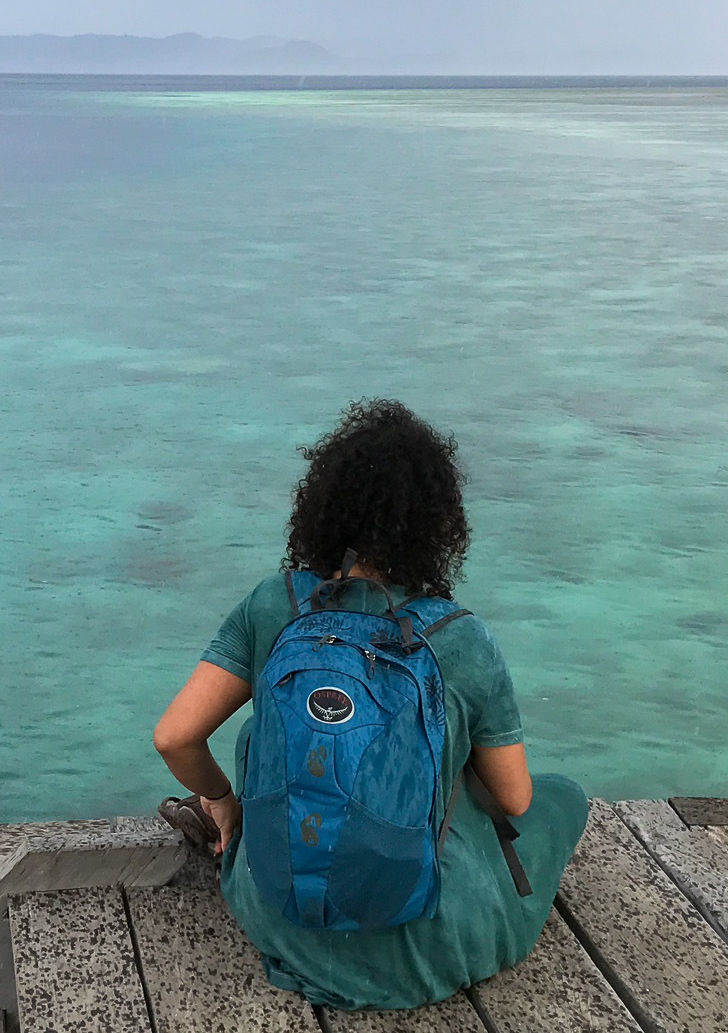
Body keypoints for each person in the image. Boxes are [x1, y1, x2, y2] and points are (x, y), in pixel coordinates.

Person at [152, 399, 588, 1010]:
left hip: (279, 918)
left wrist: (222, 803)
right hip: (424, 953)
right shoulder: (459, 638)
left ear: (323, 507)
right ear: (438, 526)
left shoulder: (274, 605)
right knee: (562, 797)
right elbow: (515, 799)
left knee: (256, 738)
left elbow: (174, 737)